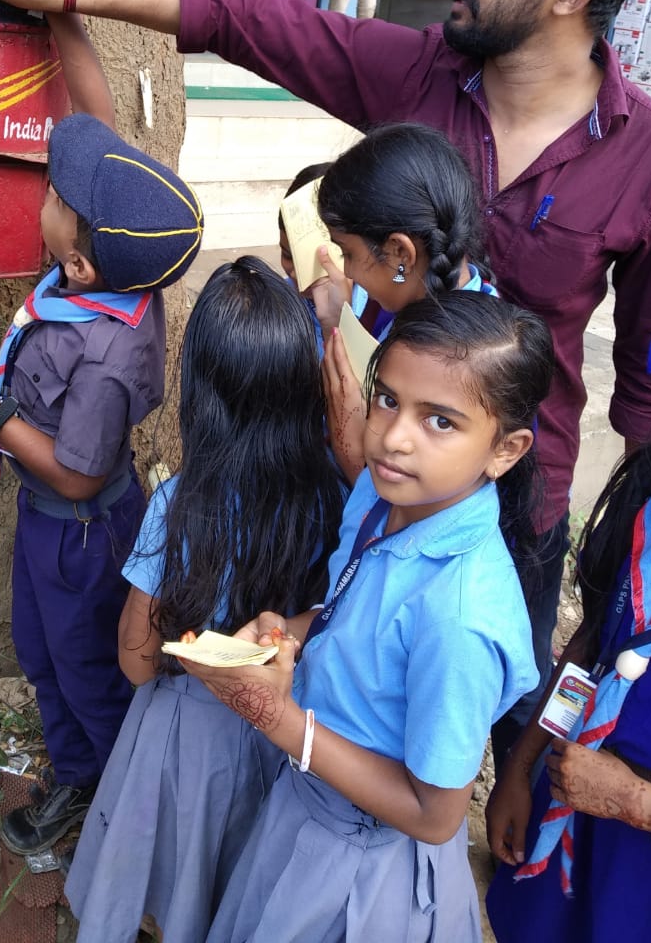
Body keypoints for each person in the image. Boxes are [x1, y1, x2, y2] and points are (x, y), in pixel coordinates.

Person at [0, 0, 651, 765]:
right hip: (366, 467)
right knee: (339, 665)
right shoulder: (420, 74)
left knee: (494, 712)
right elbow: (249, 20)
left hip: (516, 499)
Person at [174, 291, 549, 942]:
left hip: (365, 862)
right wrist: (287, 632)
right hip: (307, 802)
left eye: (440, 422)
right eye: (387, 399)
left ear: (505, 450)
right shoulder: (382, 496)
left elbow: (435, 815)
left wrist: (278, 718)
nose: (394, 437)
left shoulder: (460, 619)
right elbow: (353, 610)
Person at [0, 19, 204, 855]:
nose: (49, 194)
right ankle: (76, 770)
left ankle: (115, 805)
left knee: (87, 670)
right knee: (39, 649)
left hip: (81, 536)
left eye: (58, 196)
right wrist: (61, 14)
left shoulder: (105, 355)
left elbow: (81, 475)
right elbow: (96, 125)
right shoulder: (118, 260)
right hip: (47, 528)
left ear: (83, 265)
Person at [64, 257, 344, 942]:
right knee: (238, 875)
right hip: (278, 728)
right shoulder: (335, 495)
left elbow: (136, 661)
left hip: (184, 741)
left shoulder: (179, 506)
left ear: (200, 393)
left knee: (173, 872)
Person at [486, 328, 651, 940]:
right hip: (573, 817)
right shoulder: (650, 508)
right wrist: (521, 766)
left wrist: (639, 804)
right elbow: (590, 656)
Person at [315, 122, 497, 485]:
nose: (346, 270)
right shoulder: (402, 303)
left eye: (348, 253)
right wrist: (336, 321)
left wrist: (347, 440)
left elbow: (395, 495)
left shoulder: (475, 361)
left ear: (400, 253)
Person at [277, 161, 369, 360]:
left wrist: (338, 325)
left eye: (311, 262)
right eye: (287, 255)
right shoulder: (276, 304)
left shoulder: (378, 312)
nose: (295, 273)